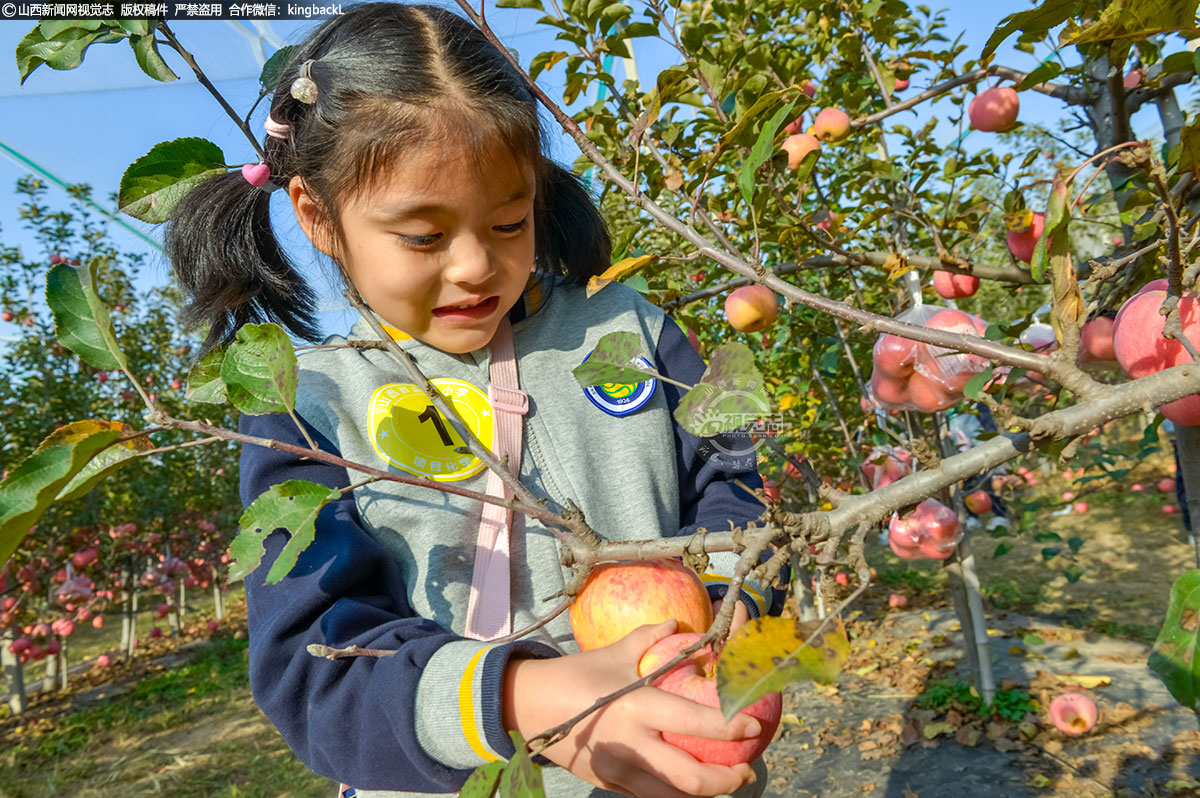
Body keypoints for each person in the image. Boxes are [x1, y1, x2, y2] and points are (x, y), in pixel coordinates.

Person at [162, 3, 782, 797]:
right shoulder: (308, 399)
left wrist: (731, 621)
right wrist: (524, 698)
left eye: (507, 222)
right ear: (317, 217)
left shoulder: (633, 328)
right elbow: (312, 667)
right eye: (423, 237)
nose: (474, 267)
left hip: (677, 755)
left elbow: (740, 491)